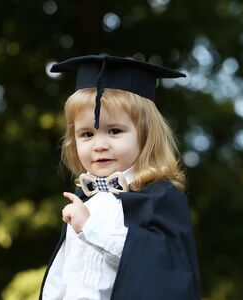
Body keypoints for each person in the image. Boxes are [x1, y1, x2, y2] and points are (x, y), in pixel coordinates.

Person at [39, 55, 201, 300]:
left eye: (114, 131)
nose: (99, 145)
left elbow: (161, 267)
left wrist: (91, 228)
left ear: (146, 135)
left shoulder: (159, 196)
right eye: (86, 134)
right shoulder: (85, 200)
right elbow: (63, 274)